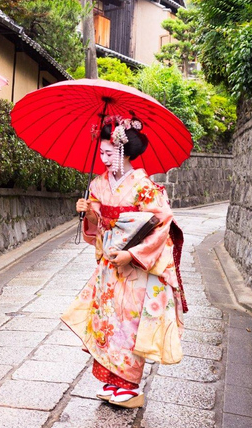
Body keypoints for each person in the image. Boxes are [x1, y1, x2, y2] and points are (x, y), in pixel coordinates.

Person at [62, 116, 187, 409]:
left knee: (130, 322)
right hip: (110, 264)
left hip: (134, 265)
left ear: (124, 151)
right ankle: (111, 380)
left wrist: (132, 254)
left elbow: (162, 223)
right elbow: (99, 227)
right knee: (107, 317)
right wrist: (89, 213)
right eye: (101, 153)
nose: (103, 158)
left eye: (109, 153)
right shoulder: (97, 186)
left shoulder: (144, 187)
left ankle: (129, 385)